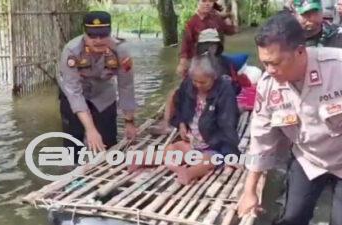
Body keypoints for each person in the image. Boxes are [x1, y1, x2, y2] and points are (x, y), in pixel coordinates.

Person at [237, 12, 342, 225]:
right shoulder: (268, 86)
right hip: (309, 159)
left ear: (300, 52)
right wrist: (249, 190)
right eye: (264, 63)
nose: (270, 70)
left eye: (275, 63)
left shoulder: (337, 67)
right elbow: (260, 141)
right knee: (292, 218)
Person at [129, 55, 240, 185]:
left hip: (213, 144)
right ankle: (142, 159)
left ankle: (189, 173)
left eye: (203, 82)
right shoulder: (188, 84)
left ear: (214, 77)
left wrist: (231, 154)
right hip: (193, 142)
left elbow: (227, 123)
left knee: (208, 160)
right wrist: (181, 123)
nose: (198, 85)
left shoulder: (225, 89)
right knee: (173, 148)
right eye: (195, 81)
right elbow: (180, 105)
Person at [57, 11, 138, 161]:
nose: (98, 40)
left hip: (103, 94)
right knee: (73, 141)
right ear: (84, 33)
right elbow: (74, 92)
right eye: (92, 35)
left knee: (108, 141)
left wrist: (129, 121)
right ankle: (71, 174)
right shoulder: (71, 51)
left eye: (103, 34)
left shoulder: (121, 51)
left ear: (110, 32)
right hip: (74, 93)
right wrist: (90, 129)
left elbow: (126, 86)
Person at [176, 0, 237, 77]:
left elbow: (231, 31)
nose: (207, 4)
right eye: (204, 1)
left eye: (210, 1)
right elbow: (185, 44)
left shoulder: (216, 19)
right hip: (199, 59)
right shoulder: (192, 23)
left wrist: (231, 17)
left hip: (216, 57)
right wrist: (182, 63)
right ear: (198, 2)